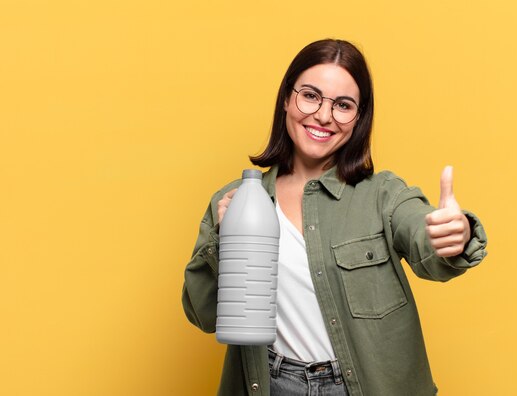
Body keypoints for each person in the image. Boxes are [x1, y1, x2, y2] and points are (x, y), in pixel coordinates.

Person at [182, 39, 488, 396]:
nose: (324, 116)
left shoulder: (382, 194)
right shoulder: (234, 202)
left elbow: (422, 234)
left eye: (343, 105)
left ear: (359, 118)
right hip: (273, 384)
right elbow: (204, 315)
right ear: (286, 98)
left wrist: (455, 235)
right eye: (310, 96)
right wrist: (225, 239)